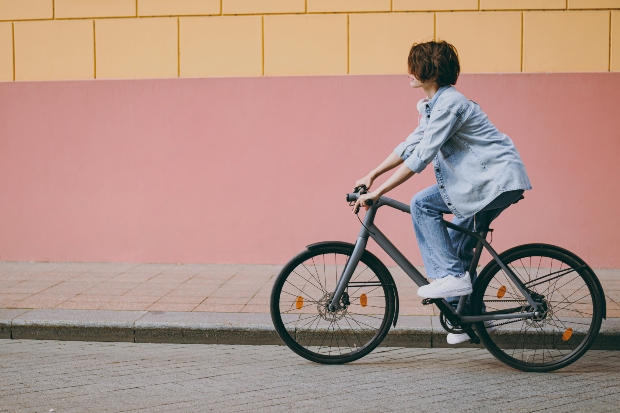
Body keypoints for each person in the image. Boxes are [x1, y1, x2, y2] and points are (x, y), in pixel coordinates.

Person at [352, 40, 531, 344]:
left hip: (493, 181)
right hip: (482, 182)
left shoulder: (450, 105)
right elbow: (409, 145)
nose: (408, 72)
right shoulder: (434, 106)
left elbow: (421, 157)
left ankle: (451, 278)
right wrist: (372, 174)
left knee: (422, 203)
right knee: (459, 249)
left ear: (432, 73)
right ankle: (468, 319)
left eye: (416, 67)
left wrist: (379, 191)